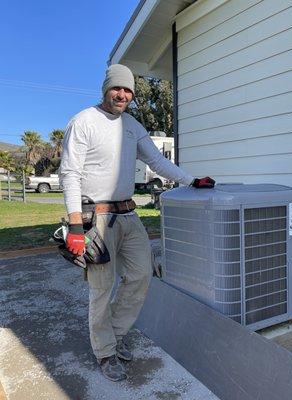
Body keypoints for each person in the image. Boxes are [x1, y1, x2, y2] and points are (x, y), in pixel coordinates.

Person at [59, 64, 215, 382]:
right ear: (106, 89)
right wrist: (75, 227)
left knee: (142, 274)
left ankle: (114, 335)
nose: (123, 94)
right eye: (117, 88)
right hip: (95, 218)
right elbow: (69, 173)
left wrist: (190, 180)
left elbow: (156, 161)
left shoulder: (132, 126)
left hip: (128, 215)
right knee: (101, 288)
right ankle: (104, 352)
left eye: (128, 90)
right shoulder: (83, 121)